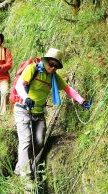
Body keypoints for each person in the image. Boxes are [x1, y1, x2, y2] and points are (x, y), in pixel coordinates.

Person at [13, 48, 91, 177]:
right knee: (26, 140)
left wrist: (81, 101)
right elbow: (20, 85)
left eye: (56, 66)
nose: (53, 68)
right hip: (23, 109)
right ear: (44, 61)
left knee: (39, 142)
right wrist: (26, 98)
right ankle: (25, 175)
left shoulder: (53, 77)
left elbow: (68, 89)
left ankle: (21, 166)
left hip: (38, 113)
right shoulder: (33, 69)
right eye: (51, 64)